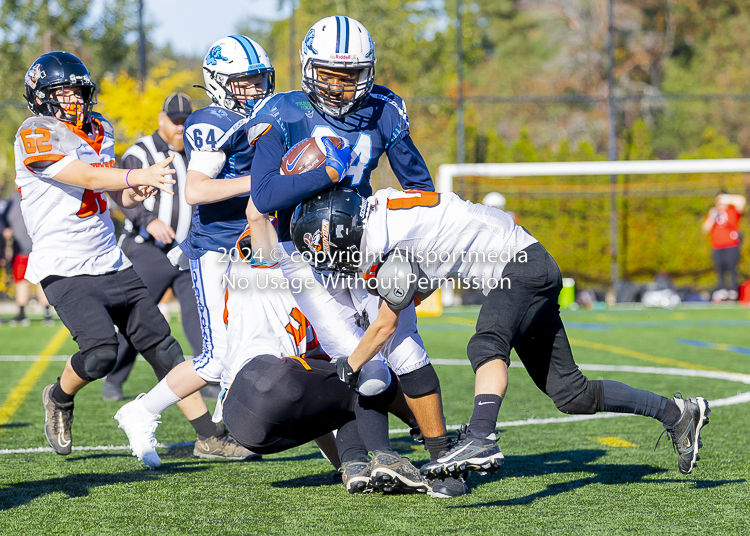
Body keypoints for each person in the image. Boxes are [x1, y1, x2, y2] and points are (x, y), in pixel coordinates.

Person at [289, 187, 711, 478]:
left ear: (345, 232)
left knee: (485, 342)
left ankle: (481, 437)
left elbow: (385, 324)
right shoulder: (380, 208)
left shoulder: (384, 243)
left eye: (331, 253)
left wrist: (351, 363)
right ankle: (677, 413)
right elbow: (436, 256)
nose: (334, 263)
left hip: (519, 266)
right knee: (572, 393)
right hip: (527, 263)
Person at [245, 16, 463, 496]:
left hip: (364, 240)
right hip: (299, 252)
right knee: (361, 359)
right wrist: (325, 173)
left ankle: (443, 458)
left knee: (405, 344)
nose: (341, 86)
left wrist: (418, 251)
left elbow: (419, 188)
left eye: (351, 74)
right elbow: (262, 196)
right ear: (308, 68)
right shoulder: (282, 111)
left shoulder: (384, 108)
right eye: (329, 73)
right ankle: (381, 456)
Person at [14, 51, 193, 457]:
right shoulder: (34, 131)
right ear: (41, 96)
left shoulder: (100, 129)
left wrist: (134, 190)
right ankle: (59, 397)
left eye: (79, 91)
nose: (74, 99)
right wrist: (137, 174)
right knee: (100, 355)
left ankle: (210, 433)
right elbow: (85, 175)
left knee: (164, 347)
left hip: (109, 257)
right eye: (63, 92)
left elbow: (111, 193)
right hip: (63, 263)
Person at [114, 36, 275, 468]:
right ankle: (140, 409)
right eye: (243, 82)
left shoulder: (274, 114)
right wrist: (269, 185)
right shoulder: (212, 120)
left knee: (280, 344)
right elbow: (197, 189)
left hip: (256, 247)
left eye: (259, 79)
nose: (254, 89)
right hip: (216, 250)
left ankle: (346, 456)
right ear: (220, 83)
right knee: (214, 358)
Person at [102, 92, 201, 402]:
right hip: (148, 251)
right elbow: (123, 195)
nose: (180, 129)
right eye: (175, 122)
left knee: (200, 318)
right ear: (161, 119)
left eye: (186, 122)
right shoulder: (140, 153)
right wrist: (148, 220)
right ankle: (114, 379)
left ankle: (204, 376)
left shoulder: (198, 153)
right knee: (137, 318)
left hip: (187, 252)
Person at [2, 190, 54, 326]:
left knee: (36, 281)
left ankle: (37, 313)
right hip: (29, 249)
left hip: (34, 248)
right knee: (30, 281)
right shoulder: (32, 194)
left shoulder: (20, 197)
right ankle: (35, 314)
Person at [702, 191, 746, 300]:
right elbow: (705, 229)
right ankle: (722, 291)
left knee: (732, 269)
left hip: (731, 245)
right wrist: (712, 216)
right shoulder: (713, 212)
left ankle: (733, 292)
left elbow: (742, 200)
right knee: (719, 270)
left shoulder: (732, 210)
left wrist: (727, 198)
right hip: (717, 247)